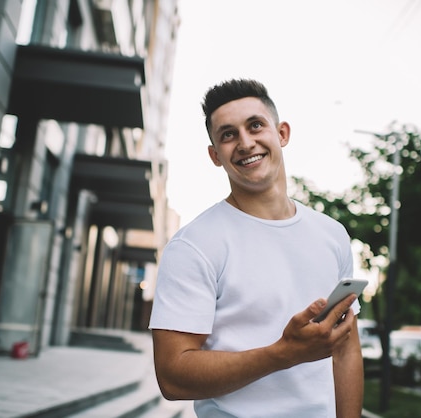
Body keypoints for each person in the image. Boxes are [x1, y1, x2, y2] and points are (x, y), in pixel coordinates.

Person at [149, 78, 364, 418]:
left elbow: (346, 348)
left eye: (255, 126)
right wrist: (282, 353)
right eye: (228, 134)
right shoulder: (194, 245)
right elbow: (172, 377)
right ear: (215, 155)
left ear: (282, 134)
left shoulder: (332, 235)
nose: (245, 143)